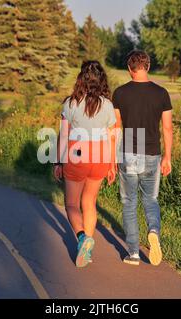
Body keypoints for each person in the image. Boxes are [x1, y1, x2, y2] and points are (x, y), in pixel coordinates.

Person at [54, 61, 117, 268]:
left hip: (77, 154)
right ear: (101, 80)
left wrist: (58, 161)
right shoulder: (107, 105)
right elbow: (112, 136)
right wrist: (112, 164)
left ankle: (82, 238)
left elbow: (64, 135)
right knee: (89, 202)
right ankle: (86, 251)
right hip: (100, 156)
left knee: (72, 204)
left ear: (81, 78)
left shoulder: (71, 103)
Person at [113, 50, 173, 266]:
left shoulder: (120, 93)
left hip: (128, 154)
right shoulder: (162, 93)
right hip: (152, 154)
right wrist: (167, 157)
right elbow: (167, 127)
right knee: (151, 199)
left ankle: (134, 253)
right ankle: (154, 231)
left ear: (130, 69)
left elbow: (116, 128)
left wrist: (112, 157)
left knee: (129, 202)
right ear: (147, 66)